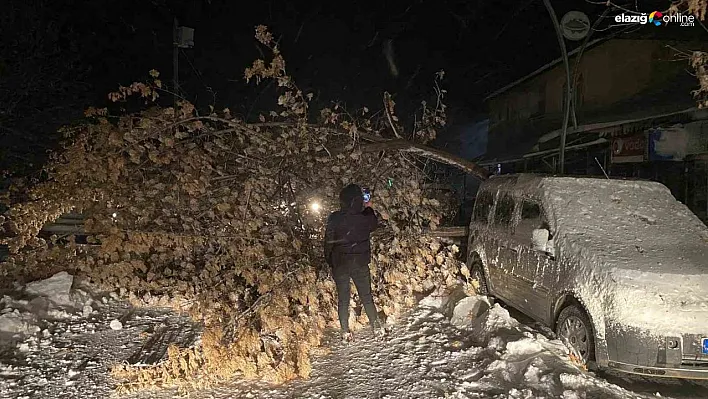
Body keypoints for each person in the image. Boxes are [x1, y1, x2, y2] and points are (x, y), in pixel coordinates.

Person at [324, 183, 383, 342]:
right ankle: (377, 327)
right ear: (357, 200)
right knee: (366, 296)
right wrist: (369, 207)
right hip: (359, 264)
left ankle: (345, 331)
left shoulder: (334, 218)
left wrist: (331, 261)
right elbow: (374, 223)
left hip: (340, 265)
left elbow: (328, 242)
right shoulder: (365, 218)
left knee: (343, 299)